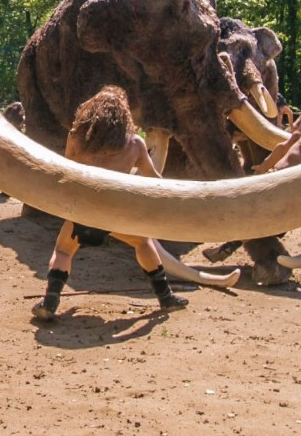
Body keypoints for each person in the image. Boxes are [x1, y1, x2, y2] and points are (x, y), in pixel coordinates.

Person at [32, 86, 188, 322]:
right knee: (144, 243)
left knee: (63, 250)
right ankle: (166, 298)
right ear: (124, 116)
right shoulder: (135, 144)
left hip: (83, 213)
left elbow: (67, 171)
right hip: (115, 214)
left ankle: (50, 302)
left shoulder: (76, 138)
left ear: (91, 112)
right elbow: (155, 181)